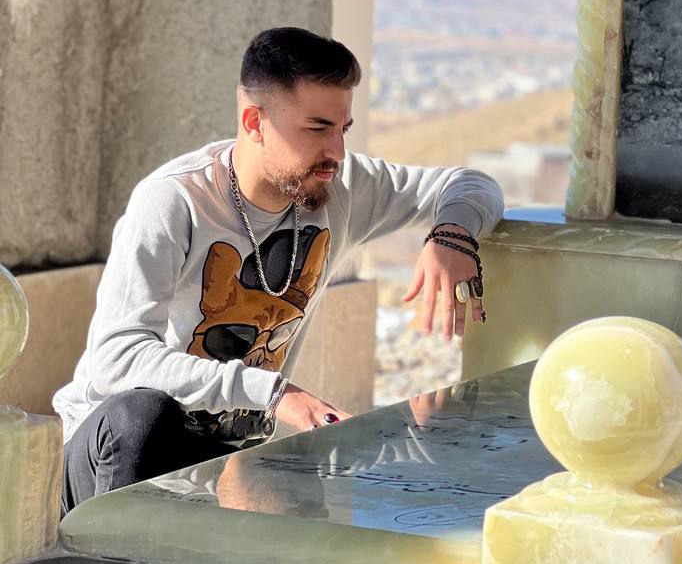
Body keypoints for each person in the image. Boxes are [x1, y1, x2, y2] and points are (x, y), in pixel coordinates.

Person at [55, 26, 504, 513]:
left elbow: (470, 184)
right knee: (141, 415)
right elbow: (117, 358)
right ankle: (96, 561)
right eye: (318, 128)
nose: (337, 151)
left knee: (316, 484)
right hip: (115, 462)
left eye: (343, 129)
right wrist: (275, 393)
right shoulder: (174, 201)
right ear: (255, 122)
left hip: (224, 468)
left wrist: (452, 236)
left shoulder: (341, 187)